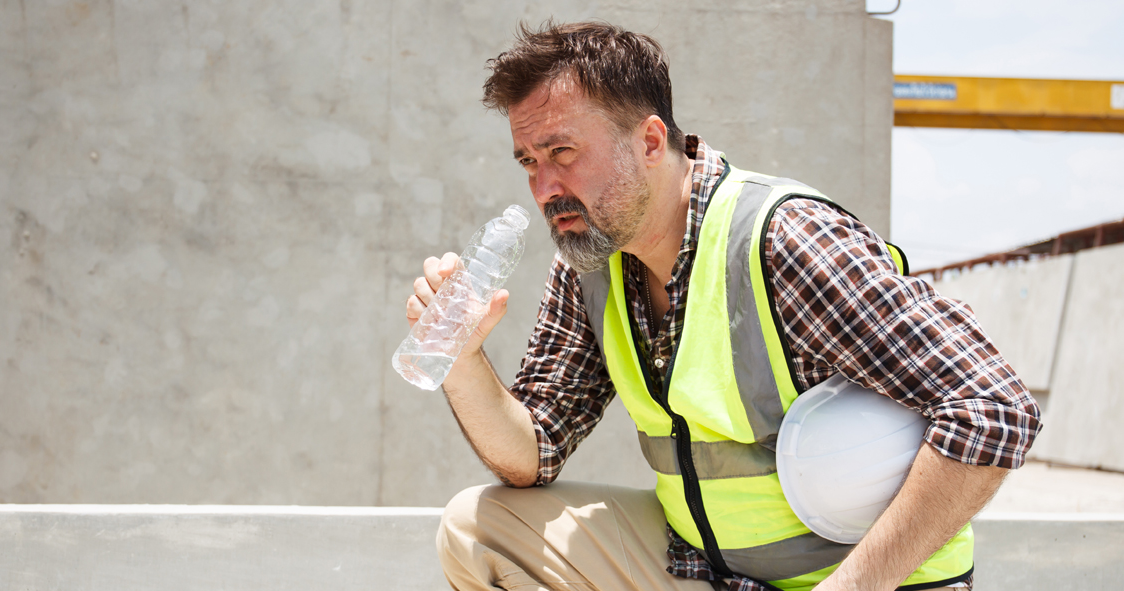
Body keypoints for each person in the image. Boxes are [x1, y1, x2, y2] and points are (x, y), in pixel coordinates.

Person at [404, 21, 1041, 591]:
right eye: (528, 161)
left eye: (563, 153)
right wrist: (461, 358)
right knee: (477, 528)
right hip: (706, 571)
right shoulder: (589, 259)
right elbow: (532, 453)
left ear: (651, 141)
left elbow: (994, 408)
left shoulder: (783, 238)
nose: (545, 188)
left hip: (862, 579)